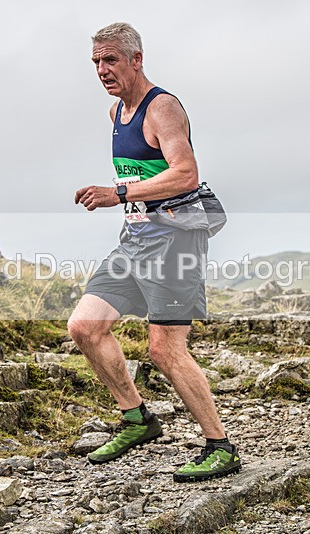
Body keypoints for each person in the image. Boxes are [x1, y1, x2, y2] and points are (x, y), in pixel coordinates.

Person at [69, 22, 241, 483]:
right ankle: (137, 419)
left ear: (136, 59)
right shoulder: (115, 114)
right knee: (85, 327)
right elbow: (145, 176)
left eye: (110, 60)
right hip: (137, 239)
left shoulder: (161, 107)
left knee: (164, 349)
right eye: (96, 63)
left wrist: (118, 193)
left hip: (175, 241)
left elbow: (185, 174)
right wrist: (122, 198)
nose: (102, 70)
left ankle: (220, 446)